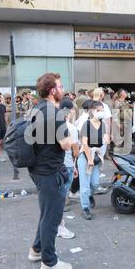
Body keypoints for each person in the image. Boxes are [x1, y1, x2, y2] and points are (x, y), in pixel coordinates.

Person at [27, 73, 73, 269]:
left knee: (47, 214)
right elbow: (65, 145)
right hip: (49, 171)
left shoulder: (36, 109)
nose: (63, 90)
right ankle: (49, 262)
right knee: (52, 217)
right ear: (53, 91)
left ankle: (36, 250)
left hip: (38, 169)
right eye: (60, 86)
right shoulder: (56, 113)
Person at [77, 101, 107, 220]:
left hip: (96, 156)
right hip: (85, 156)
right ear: (93, 111)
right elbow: (84, 143)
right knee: (84, 184)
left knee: (94, 184)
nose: (100, 113)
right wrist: (90, 159)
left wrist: (101, 155)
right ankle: (85, 208)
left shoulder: (103, 124)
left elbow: (104, 141)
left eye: (102, 110)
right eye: (98, 110)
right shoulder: (87, 124)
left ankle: (89, 195)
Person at [57, 97, 79, 238]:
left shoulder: (54, 125)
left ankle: (58, 223)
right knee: (61, 197)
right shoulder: (71, 128)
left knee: (58, 196)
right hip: (67, 165)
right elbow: (75, 151)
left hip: (56, 165)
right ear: (70, 111)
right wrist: (75, 165)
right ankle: (59, 226)